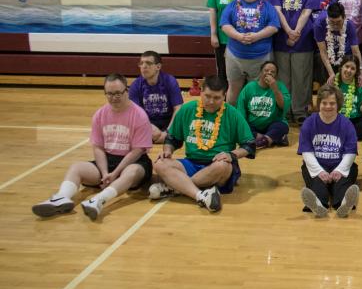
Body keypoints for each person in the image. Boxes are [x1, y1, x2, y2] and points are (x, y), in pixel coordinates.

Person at [32, 73, 153, 221]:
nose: (114, 97)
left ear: (126, 91)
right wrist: (104, 173)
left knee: (132, 171)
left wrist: (114, 174)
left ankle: (98, 200)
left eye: (118, 93)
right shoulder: (100, 115)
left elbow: (137, 151)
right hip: (108, 160)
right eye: (109, 94)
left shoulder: (139, 115)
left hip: (134, 161)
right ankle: (61, 198)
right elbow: (98, 147)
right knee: (76, 167)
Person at [149, 75, 255, 213]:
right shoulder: (187, 109)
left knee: (223, 166)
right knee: (159, 163)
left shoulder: (233, 114)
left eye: (216, 98)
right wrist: (168, 150)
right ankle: (200, 195)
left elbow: (249, 145)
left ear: (224, 96)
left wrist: (231, 154)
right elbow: (172, 138)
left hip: (216, 165)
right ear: (201, 92)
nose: (211, 101)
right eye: (207, 96)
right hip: (191, 163)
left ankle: (175, 187)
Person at [269, 0, 320, 124]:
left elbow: (307, 11)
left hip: (303, 39)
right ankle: (284, 111)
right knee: (283, 78)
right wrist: (288, 31)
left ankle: (299, 112)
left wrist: (296, 31)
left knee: (302, 78)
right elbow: (276, 10)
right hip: (280, 39)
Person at [297, 85, 360, 218]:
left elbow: (350, 153)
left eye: (332, 103)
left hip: (341, 165)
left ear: (338, 105)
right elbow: (306, 152)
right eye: (324, 103)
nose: (328, 106)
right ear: (319, 103)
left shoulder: (346, 124)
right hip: (317, 165)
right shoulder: (309, 123)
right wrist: (319, 171)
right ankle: (318, 204)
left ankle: (344, 204)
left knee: (342, 185)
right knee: (317, 185)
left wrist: (340, 170)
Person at [219, 0, 281, 105]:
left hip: (261, 58)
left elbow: (274, 26)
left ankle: (253, 122)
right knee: (233, 90)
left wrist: (256, 36)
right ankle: (231, 118)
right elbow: (224, 24)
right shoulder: (232, 5)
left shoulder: (267, 6)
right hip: (235, 57)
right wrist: (239, 36)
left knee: (257, 92)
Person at [128, 50, 183, 144]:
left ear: (158, 66)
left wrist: (167, 133)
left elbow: (178, 108)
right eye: (141, 63)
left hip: (169, 122)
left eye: (148, 63)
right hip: (147, 122)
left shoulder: (170, 81)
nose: (144, 66)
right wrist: (149, 128)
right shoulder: (135, 85)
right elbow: (135, 113)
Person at [237, 60, 291, 149]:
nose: (269, 73)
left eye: (272, 72)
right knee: (242, 128)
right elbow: (241, 108)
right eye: (266, 70)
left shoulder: (280, 86)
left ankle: (262, 141)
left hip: (272, 123)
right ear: (261, 72)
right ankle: (271, 139)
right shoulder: (250, 87)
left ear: (276, 75)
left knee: (282, 127)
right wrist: (242, 126)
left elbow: (283, 105)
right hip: (253, 125)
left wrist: (275, 88)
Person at [206, 0, 243, 81]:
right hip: (222, 38)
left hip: (242, 38)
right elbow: (213, 9)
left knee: (242, 73)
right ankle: (224, 101)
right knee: (223, 73)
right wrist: (213, 34)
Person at [314, 2, 362, 84]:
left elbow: (355, 51)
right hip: (327, 58)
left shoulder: (349, 25)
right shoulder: (319, 24)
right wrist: (331, 73)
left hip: (344, 56)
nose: (335, 25)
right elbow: (323, 52)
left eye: (338, 22)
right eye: (332, 22)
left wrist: (361, 72)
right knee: (328, 82)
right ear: (328, 18)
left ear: (344, 17)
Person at [333, 55, 362, 140]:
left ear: (356, 71)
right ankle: (347, 135)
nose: (349, 70)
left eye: (352, 68)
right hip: (336, 120)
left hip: (355, 120)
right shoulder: (333, 83)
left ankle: (344, 135)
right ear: (341, 67)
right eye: (347, 66)